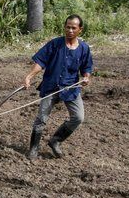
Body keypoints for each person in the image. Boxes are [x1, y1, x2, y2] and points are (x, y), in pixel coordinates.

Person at [24, 14, 93, 160]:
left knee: (78, 117)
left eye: (74, 28)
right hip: (51, 85)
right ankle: (33, 149)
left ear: (80, 29)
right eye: (67, 27)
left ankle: (55, 141)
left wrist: (86, 77)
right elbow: (41, 61)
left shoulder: (84, 48)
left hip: (71, 88)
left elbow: (86, 67)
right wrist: (30, 76)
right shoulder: (55, 44)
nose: (70, 30)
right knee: (41, 119)